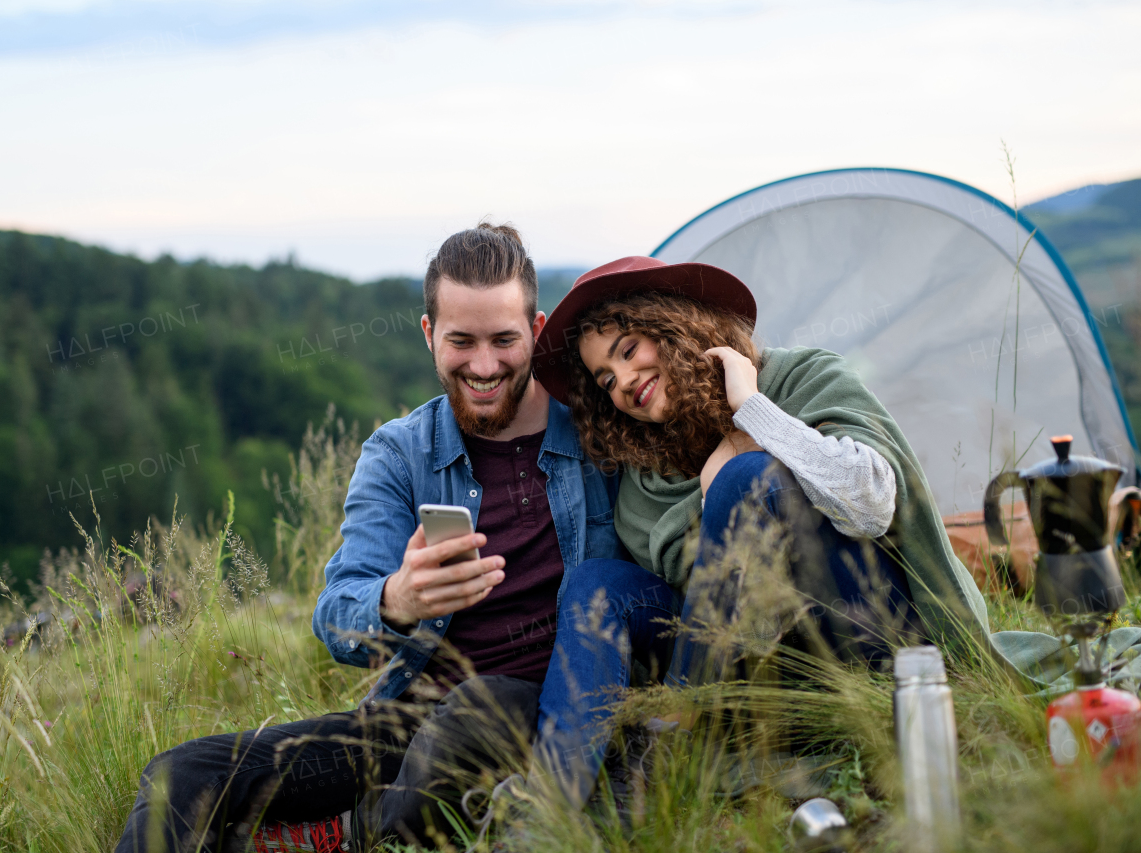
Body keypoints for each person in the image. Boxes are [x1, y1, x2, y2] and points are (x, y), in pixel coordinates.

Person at [114, 224, 625, 853]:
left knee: (474, 710)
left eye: (504, 340)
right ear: (429, 335)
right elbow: (336, 614)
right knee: (180, 776)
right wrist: (398, 599)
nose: (484, 365)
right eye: (461, 341)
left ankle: (335, 837)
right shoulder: (400, 453)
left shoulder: (602, 428)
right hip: (403, 724)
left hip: (540, 709)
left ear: (538, 331)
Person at [522, 255, 992, 807]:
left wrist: (753, 414)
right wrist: (714, 490)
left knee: (748, 479)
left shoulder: (800, 378)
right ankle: (546, 809)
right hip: (763, 690)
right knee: (596, 582)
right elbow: (699, 612)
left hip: (875, 641)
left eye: (629, 350)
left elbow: (872, 505)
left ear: (675, 324)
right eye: (606, 379)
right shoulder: (642, 484)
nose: (624, 382)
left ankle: (673, 756)